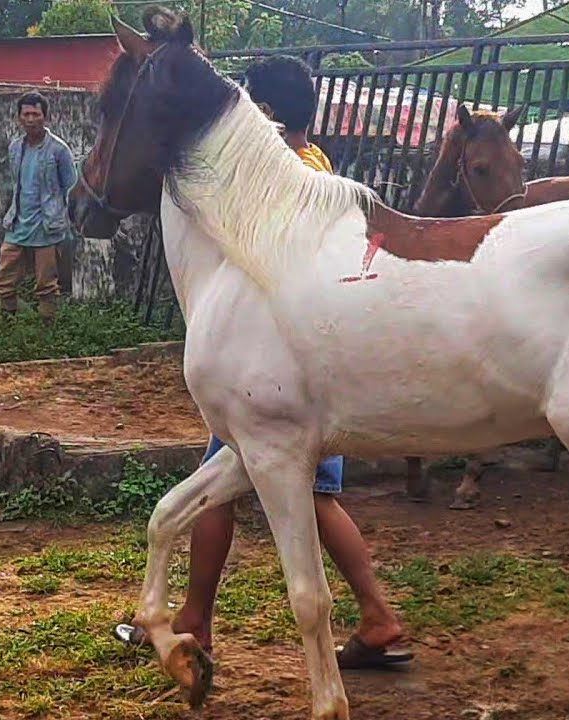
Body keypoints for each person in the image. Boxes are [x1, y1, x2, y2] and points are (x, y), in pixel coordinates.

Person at [154, 55, 413, 670]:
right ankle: (375, 618)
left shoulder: (280, 177)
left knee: (232, 491)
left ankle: (198, 621)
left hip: (280, 376)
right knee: (306, 498)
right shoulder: (314, 164)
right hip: (303, 367)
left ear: (262, 114)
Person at [0, 91, 77, 321]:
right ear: (19, 118)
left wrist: (67, 222)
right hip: (17, 222)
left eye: (36, 114)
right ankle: (7, 324)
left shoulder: (59, 150)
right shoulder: (15, 148)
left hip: (48, 227)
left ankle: (46, 331)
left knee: (46, 285)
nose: (31, 119)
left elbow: (70, 186)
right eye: (26, 114)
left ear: (45, 117)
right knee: (4, 280)